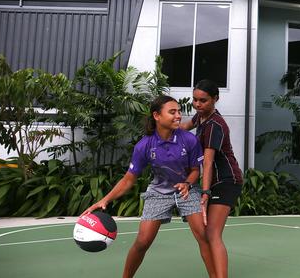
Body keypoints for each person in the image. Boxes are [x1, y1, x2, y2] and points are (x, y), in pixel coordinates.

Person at [82, 95, 205, 278]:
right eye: (172, 112)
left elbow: (196, 170)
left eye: (179, 111)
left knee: (204, 237)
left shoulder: (189, 140)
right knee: (142, 241)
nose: (178, 115)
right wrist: (104, 200)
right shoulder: (145, 145)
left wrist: (187, 183)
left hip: (186, 190)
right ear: (157, 115)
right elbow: (128, 179)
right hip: (158, 192)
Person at [181, 79, 243, 278]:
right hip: (214, 181)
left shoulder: (214, 125)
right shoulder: (201, 118)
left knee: (213, 234)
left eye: (203, 101)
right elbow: (183, 127)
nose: (198, 105)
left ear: (215, 99)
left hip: (226, 181)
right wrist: (159, 128)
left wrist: (205, 192)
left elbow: (207, 162)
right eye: (195, 100)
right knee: (206, 234)